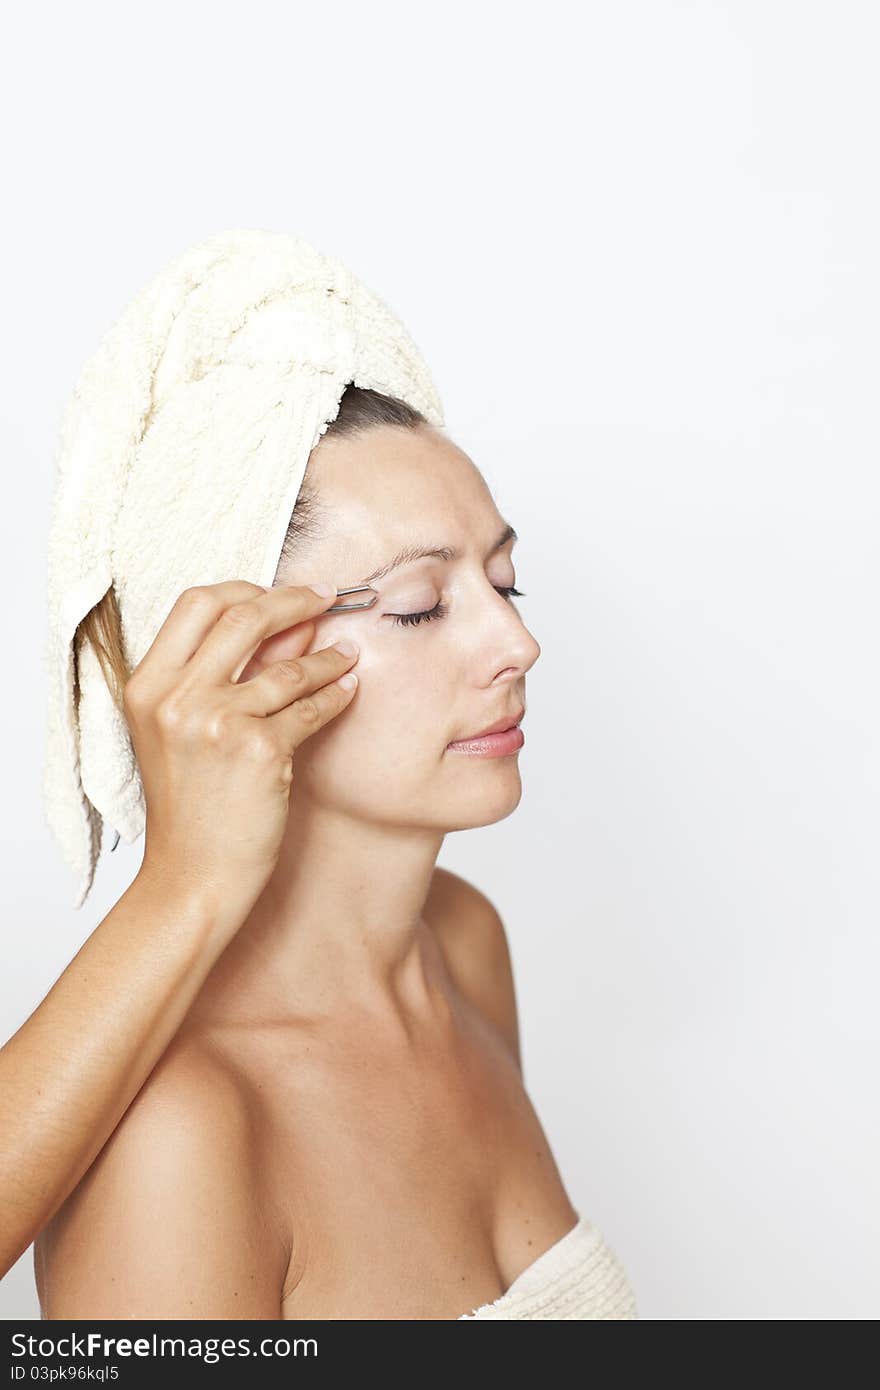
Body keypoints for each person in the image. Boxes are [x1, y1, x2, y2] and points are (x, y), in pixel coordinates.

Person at [25, 232, 638, 1318]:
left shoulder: (462, 947)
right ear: (231, 667)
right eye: (417, 605)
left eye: (506, 581)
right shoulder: (184, 1130)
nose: (515, 645)